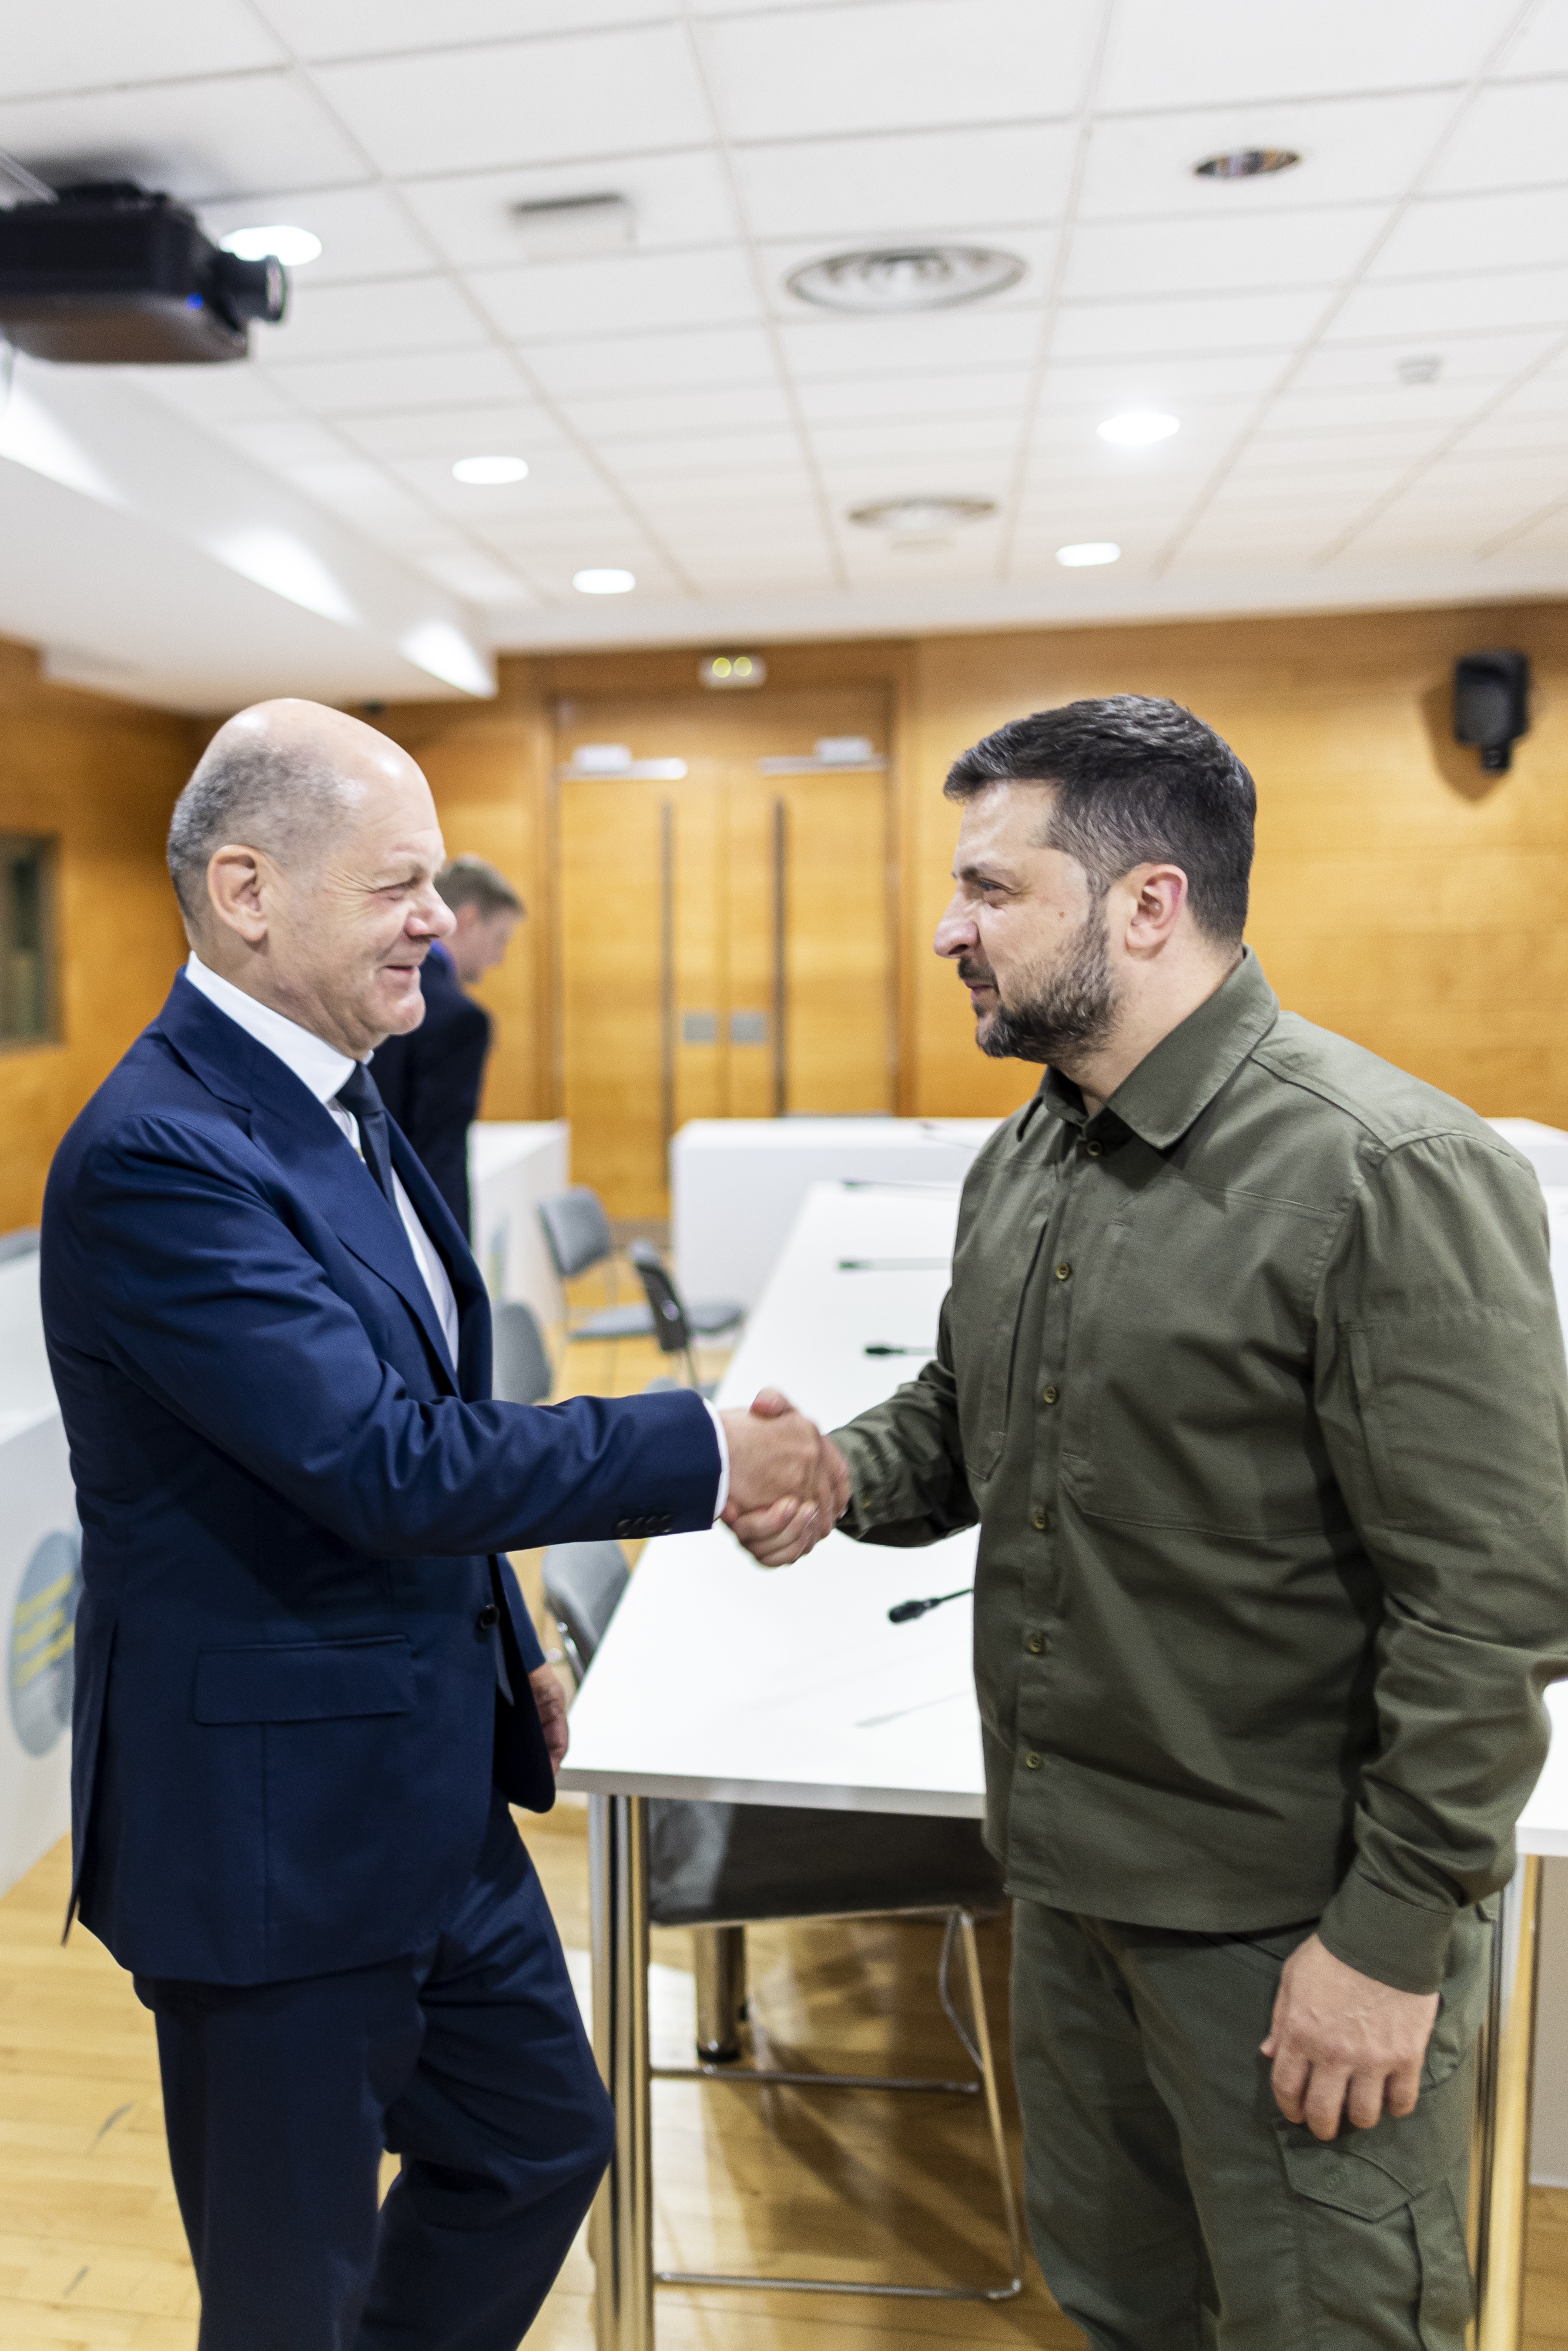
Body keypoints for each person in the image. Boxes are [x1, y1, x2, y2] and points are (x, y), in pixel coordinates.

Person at [728, 695, 1568, 2349]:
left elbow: (1491, 1610)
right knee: (1120, 2309)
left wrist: (1386, 1945)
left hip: (1290, 1932)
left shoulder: (1382, 1170)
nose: (946, 931)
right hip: (1067, 1886)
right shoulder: (1030, 1155)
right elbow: (971, 1421)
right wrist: (838, 1473)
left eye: (989, 889)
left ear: (1146, 905)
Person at [41, 698, 847, 2351]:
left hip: (422, 1782)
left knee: (539, 2139)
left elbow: (411, 1414)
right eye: (397, 884)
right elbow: (381, 1460)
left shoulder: (342, 1091)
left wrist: (509, 1630)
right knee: (290, 2298)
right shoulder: (161, 1154)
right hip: (271, 1841)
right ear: (250, 892)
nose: (440, 919)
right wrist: (702, 1450)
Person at [371, 852, 522, 1238]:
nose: (500, 958)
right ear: (469, 921)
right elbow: (441, 1159)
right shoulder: (460, 1020)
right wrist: (456, 1266)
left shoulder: (374, 988)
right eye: (500, 938)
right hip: (414, 1229)